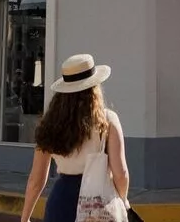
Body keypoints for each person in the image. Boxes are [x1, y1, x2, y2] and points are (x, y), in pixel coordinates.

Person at [20, 54, 129, 222]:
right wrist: (122, 200)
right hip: (97, 204)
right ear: (94, 88)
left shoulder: (49, 124)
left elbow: (37, 178)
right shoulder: (108, 120)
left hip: (61, 202)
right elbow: (121, 174)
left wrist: (25, 217)